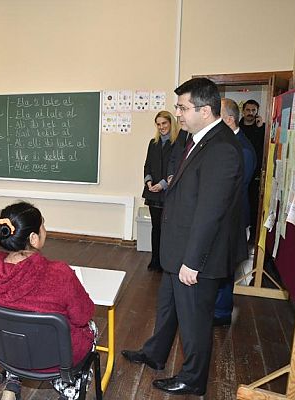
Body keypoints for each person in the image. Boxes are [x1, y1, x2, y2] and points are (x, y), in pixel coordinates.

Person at [122, 78, 246, 396]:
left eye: (182, 107)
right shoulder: (196, 139)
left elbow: (210, 212)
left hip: (197, 256)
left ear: (204, 110)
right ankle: (155, 353)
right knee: (168, 307)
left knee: (194, 322)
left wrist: (192, 262)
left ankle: (193, 378)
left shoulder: (221, 148)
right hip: (178, 249)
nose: (177, 113)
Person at [0, 201, 97, 400]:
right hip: (53, 359)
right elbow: (82, 316)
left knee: (13, 324)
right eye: (43, 226)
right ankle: (69, 389)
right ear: (33, 238)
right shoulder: (59, 274)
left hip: (5, 352)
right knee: (91, 328)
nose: (45, 230)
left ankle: (13, 379)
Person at [212, 98, 257, 327]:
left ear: (229, 119)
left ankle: (221, 312)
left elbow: (235, 189)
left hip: (234, 218)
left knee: (227, 266)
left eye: (217, 114)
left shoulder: (244, 149)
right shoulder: (226, 142)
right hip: (222, 217)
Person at [142, 111, 180, 272]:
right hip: (153, 192)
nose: (161, 127)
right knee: (155, 227)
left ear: (171, 123)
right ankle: (155, 260)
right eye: (158, 124)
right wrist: (149, 181)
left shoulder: (178, 143)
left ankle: (166, 261)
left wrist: (163, 184)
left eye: (164, 123)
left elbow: (178, 168)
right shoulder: (153, 143)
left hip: (169, 193)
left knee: (168, 229)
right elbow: (147, 165)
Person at [239, 99, 265, 240]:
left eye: (253, 110)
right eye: (248, 110)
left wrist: (260, 128)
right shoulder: (237, 128)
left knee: (254, 203)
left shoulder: (261, 128)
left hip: (255, 174)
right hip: (240, 173)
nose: (250, 113)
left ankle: (253, 234)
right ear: (243, 111)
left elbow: (263, 149)